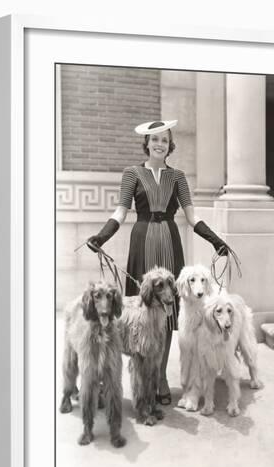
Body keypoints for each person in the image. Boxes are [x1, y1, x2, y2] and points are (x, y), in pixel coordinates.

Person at [87, 119, 229, 405]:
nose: (160, 144)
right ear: (147, 143)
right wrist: (101, 237)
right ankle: (143, 378)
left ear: (170, 144)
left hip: (169, 242)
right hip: (142, 242)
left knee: (166, 314)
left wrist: (216, 240)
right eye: (155, 139)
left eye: (164, 140)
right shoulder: (132, 173)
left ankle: (161, 378)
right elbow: (120, 212)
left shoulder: (178, 176)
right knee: (142, 314)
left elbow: (192, 216)